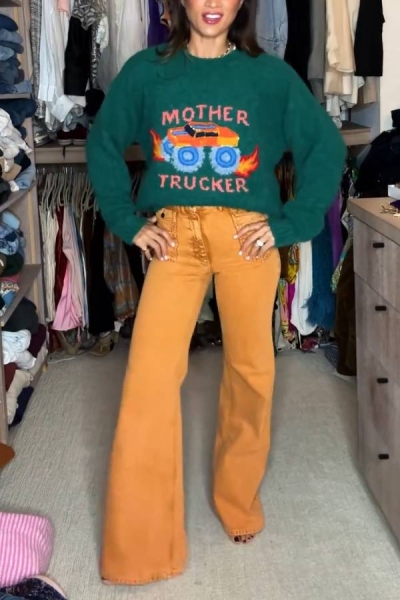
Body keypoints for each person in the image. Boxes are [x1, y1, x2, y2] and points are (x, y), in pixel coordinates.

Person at [86, 0, 346, 586]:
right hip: (174, 239)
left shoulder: (268, 75)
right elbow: (103, 142)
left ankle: (237, 498)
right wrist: (127, 219)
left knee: (251, 373)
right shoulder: (148, 70)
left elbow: (325, 147)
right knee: (148, 380)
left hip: (246, 239)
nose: (212, 3)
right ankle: (141, 544)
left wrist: (290, 222)